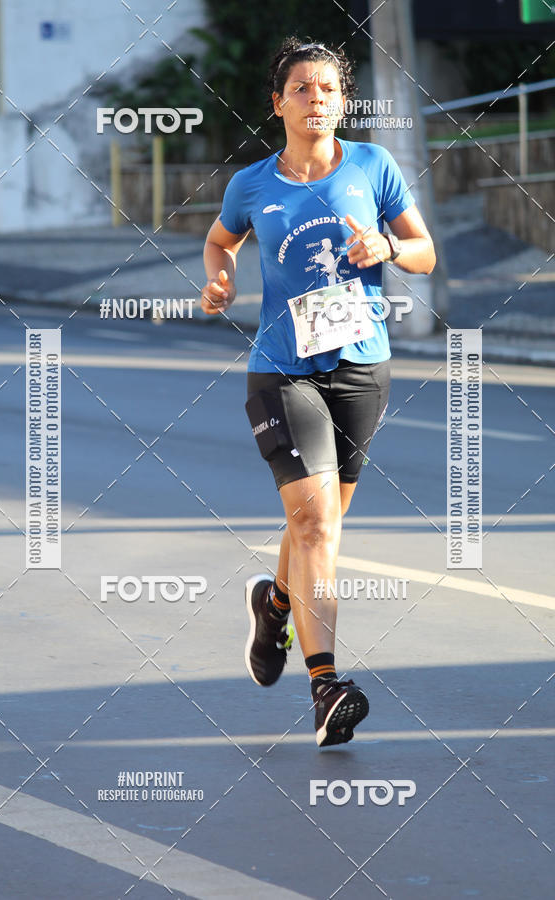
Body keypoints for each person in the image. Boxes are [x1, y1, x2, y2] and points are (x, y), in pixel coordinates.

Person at [201, 37, 435, 747]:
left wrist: (390, 249)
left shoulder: (373, 165)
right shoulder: (252, 185)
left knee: (321, 523)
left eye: (329, 88)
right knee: (315, 527)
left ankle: (274, 604)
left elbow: (424, 252)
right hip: (282, 370)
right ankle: (327, 683)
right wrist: (218, 278)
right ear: (278, 104)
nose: (318, 99)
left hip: (363, 369)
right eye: (302, 88)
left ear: (343, 100)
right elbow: (220, 241)